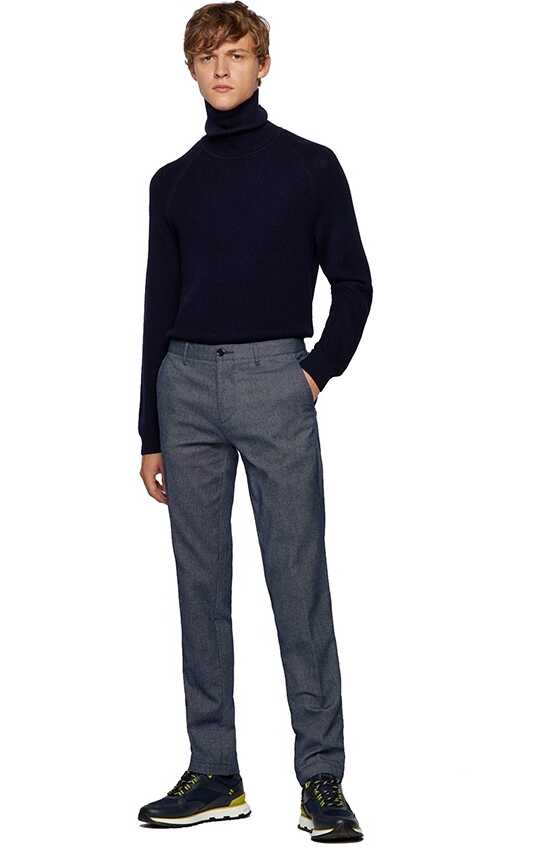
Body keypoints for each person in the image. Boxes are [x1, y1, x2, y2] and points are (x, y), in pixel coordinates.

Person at [137, 3, 371, 842]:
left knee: (296, 578)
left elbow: (354, 283)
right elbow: (157, 305)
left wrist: (313, 372)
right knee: (200, 587)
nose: (221, 69)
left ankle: (320, 778)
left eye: (235, 54)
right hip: (185, 387)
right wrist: (149, 432)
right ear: (191, 69)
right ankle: (215, 771)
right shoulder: (172, 181)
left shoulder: (309, 166)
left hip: (277, 379)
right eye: (207, 57)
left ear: (262, 64)